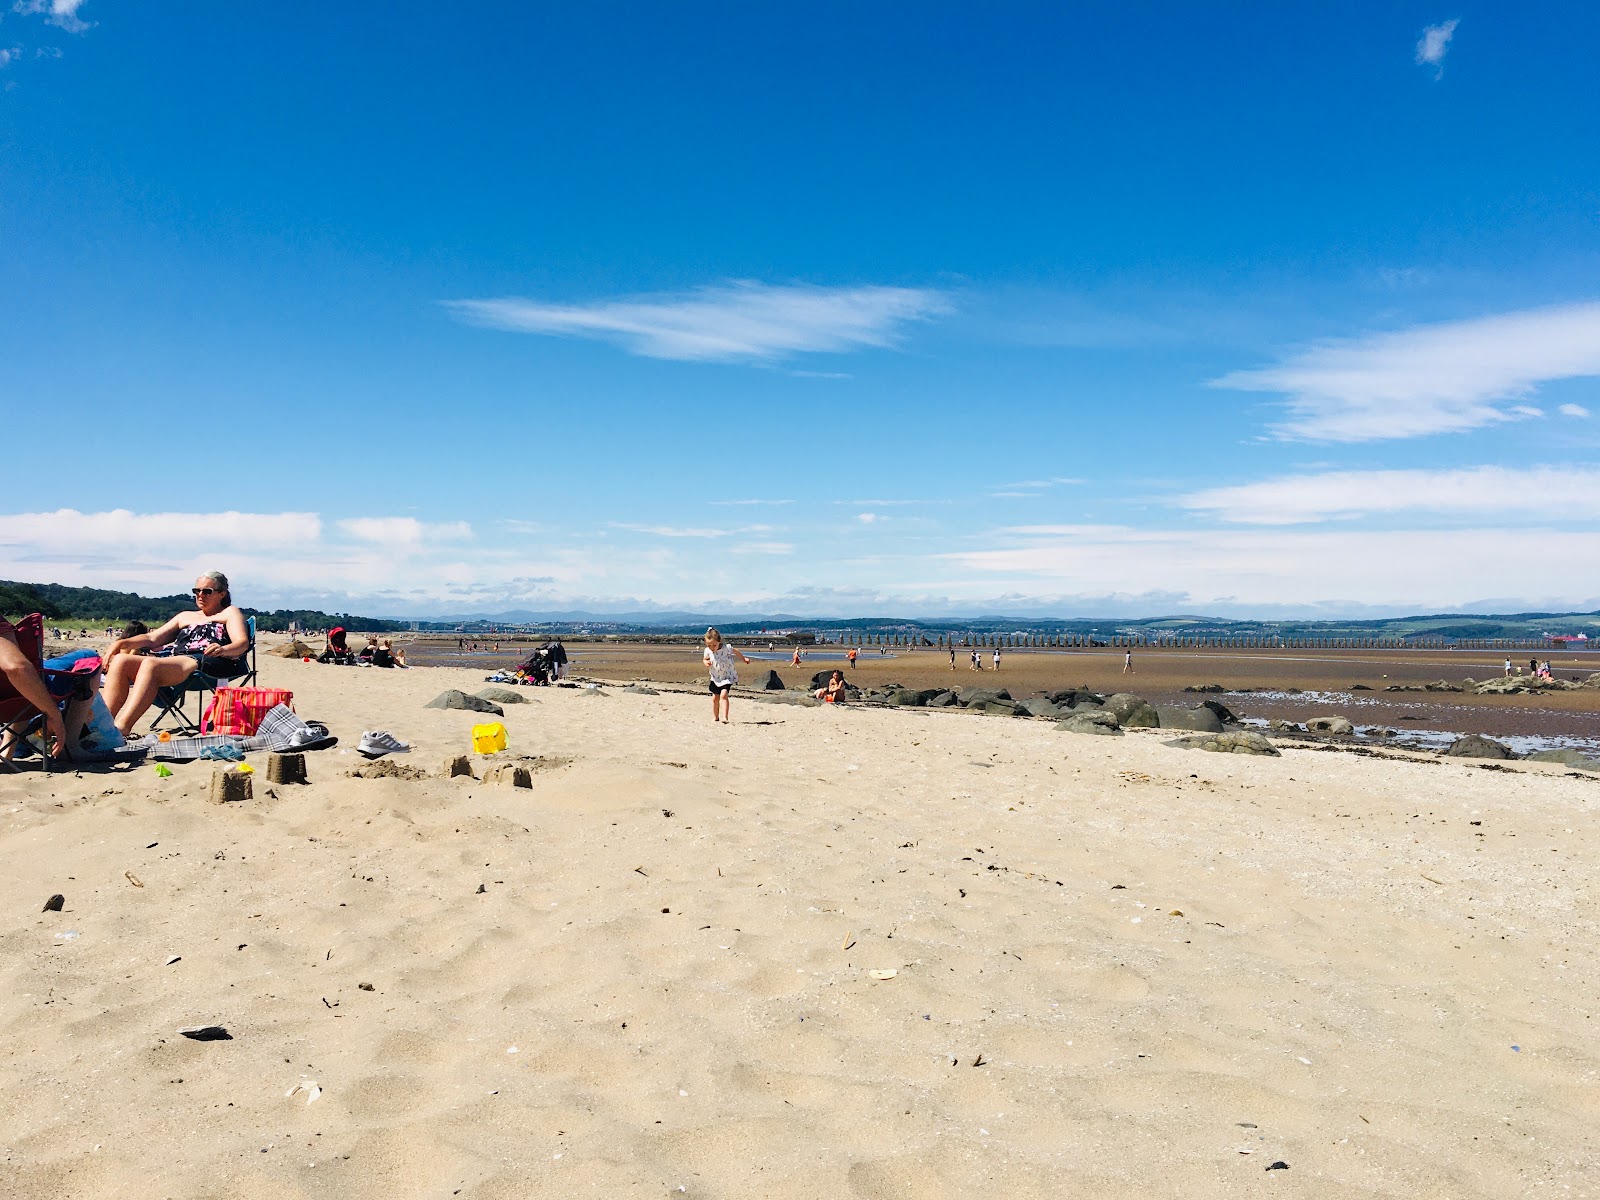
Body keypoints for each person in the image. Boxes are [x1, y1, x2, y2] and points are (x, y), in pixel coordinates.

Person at [100, 571, 250, 735]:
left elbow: (241, 644)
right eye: (196, 591)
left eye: (207, 591)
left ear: (222, 594)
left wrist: (223, 649)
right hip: (179, 662)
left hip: (211, 662)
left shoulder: (229, 613)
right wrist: (121, 643)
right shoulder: (185, 616)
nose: (200, 595)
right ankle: (103, 725)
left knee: (150, 663)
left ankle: (122, 728)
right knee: (122, 660)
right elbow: (152, 638)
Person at [0, 614, 70, 759]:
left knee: (25, 682)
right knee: (88, 658)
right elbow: (17, 668)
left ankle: (8, 749)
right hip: (12, 701)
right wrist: (54, 714)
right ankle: (73, 746)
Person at [702, 627, 751, 725]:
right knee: (715, 698)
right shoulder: (708, 650)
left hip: (727, 676)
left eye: (714, 645)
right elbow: (705, 659)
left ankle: (725, 717)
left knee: (724, 695)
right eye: (709, 645)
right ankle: (716, 717)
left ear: (719, 642)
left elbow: (736, 651)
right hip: (715, 677)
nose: (712, 647)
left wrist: (743, 658)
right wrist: (706, 662)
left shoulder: (726, 648)